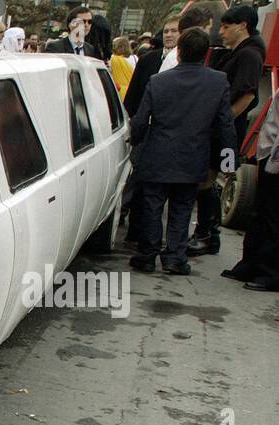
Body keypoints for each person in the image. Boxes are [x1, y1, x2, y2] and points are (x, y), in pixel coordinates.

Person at [129, 27, 234, 275]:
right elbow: (225, 125)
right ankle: (174, 257)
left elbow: (141, 120)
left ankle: (147, 254)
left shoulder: (158, 81)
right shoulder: (218, 82)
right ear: (205, 54)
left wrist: (134, 143)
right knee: (182, 208)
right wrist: (228, 160)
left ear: (178, 53)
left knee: (152, 207)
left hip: (157, 154)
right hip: (193, 155)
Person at [188, 4, 266, 257]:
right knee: (206, 180)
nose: (221, 31)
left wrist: (221, 123)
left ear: (243, 25)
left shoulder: (249, 55)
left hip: (225, 131)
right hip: (221, 128)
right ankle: (208, 234)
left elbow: (246, 97)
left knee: (208, 180)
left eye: (226, 26)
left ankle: (206, 234)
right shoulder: (238, 52)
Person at [224, 99, 279, 290]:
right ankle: (250, 264)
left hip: (275, 161)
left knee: (273, 219)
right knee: (259, 214)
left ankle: (271, 273)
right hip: (268, 156)